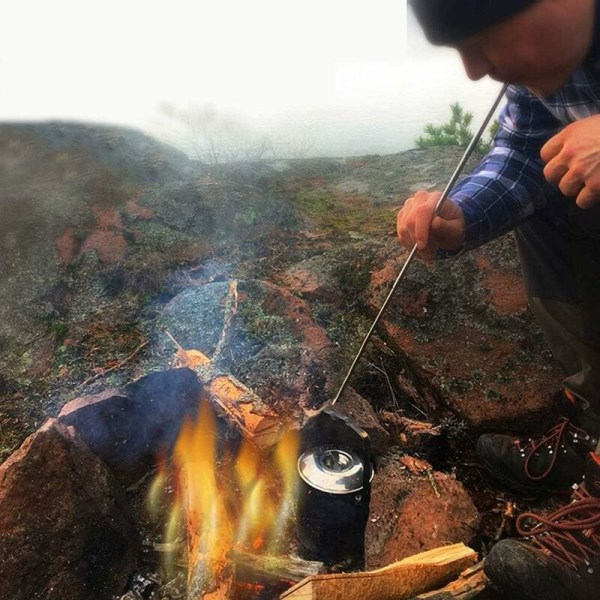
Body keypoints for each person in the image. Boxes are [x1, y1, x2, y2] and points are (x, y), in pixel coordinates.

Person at [402, 1, 600, 597]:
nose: (473, 70)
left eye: (483, 38)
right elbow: (519, 152)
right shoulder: (547, 73)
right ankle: (595, 425)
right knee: (553, 182)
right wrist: (460, 216)